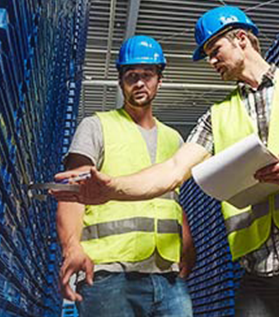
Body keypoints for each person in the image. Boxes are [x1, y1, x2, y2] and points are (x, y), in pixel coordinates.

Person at [52, 6, 279, 317]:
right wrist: (111, 189)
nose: (211, 62)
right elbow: (172, 172)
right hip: (260, 267)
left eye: (215, 51)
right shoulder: (215, 118)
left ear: (241, 39)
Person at [56, 35, 195, 316]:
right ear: (121, 81)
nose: (140, 82)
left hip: (166, 275)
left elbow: (172, 199)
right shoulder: (96, 126)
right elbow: (72, 191)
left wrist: (188, 249)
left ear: (159, 79)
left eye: (148, 75)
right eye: (132, 76)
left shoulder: (175, 139)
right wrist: (71, 247)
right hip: (108, 273)